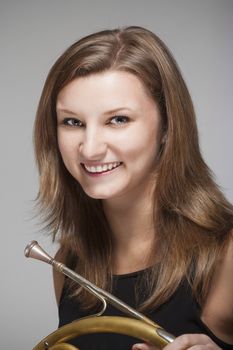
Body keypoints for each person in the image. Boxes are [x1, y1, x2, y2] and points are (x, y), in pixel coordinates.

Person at [34, 26, 233, 350]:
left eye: (118, 120)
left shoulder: (227, 255)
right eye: (73, 122)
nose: (90, 149)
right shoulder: (67, 263)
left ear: (167, 126)